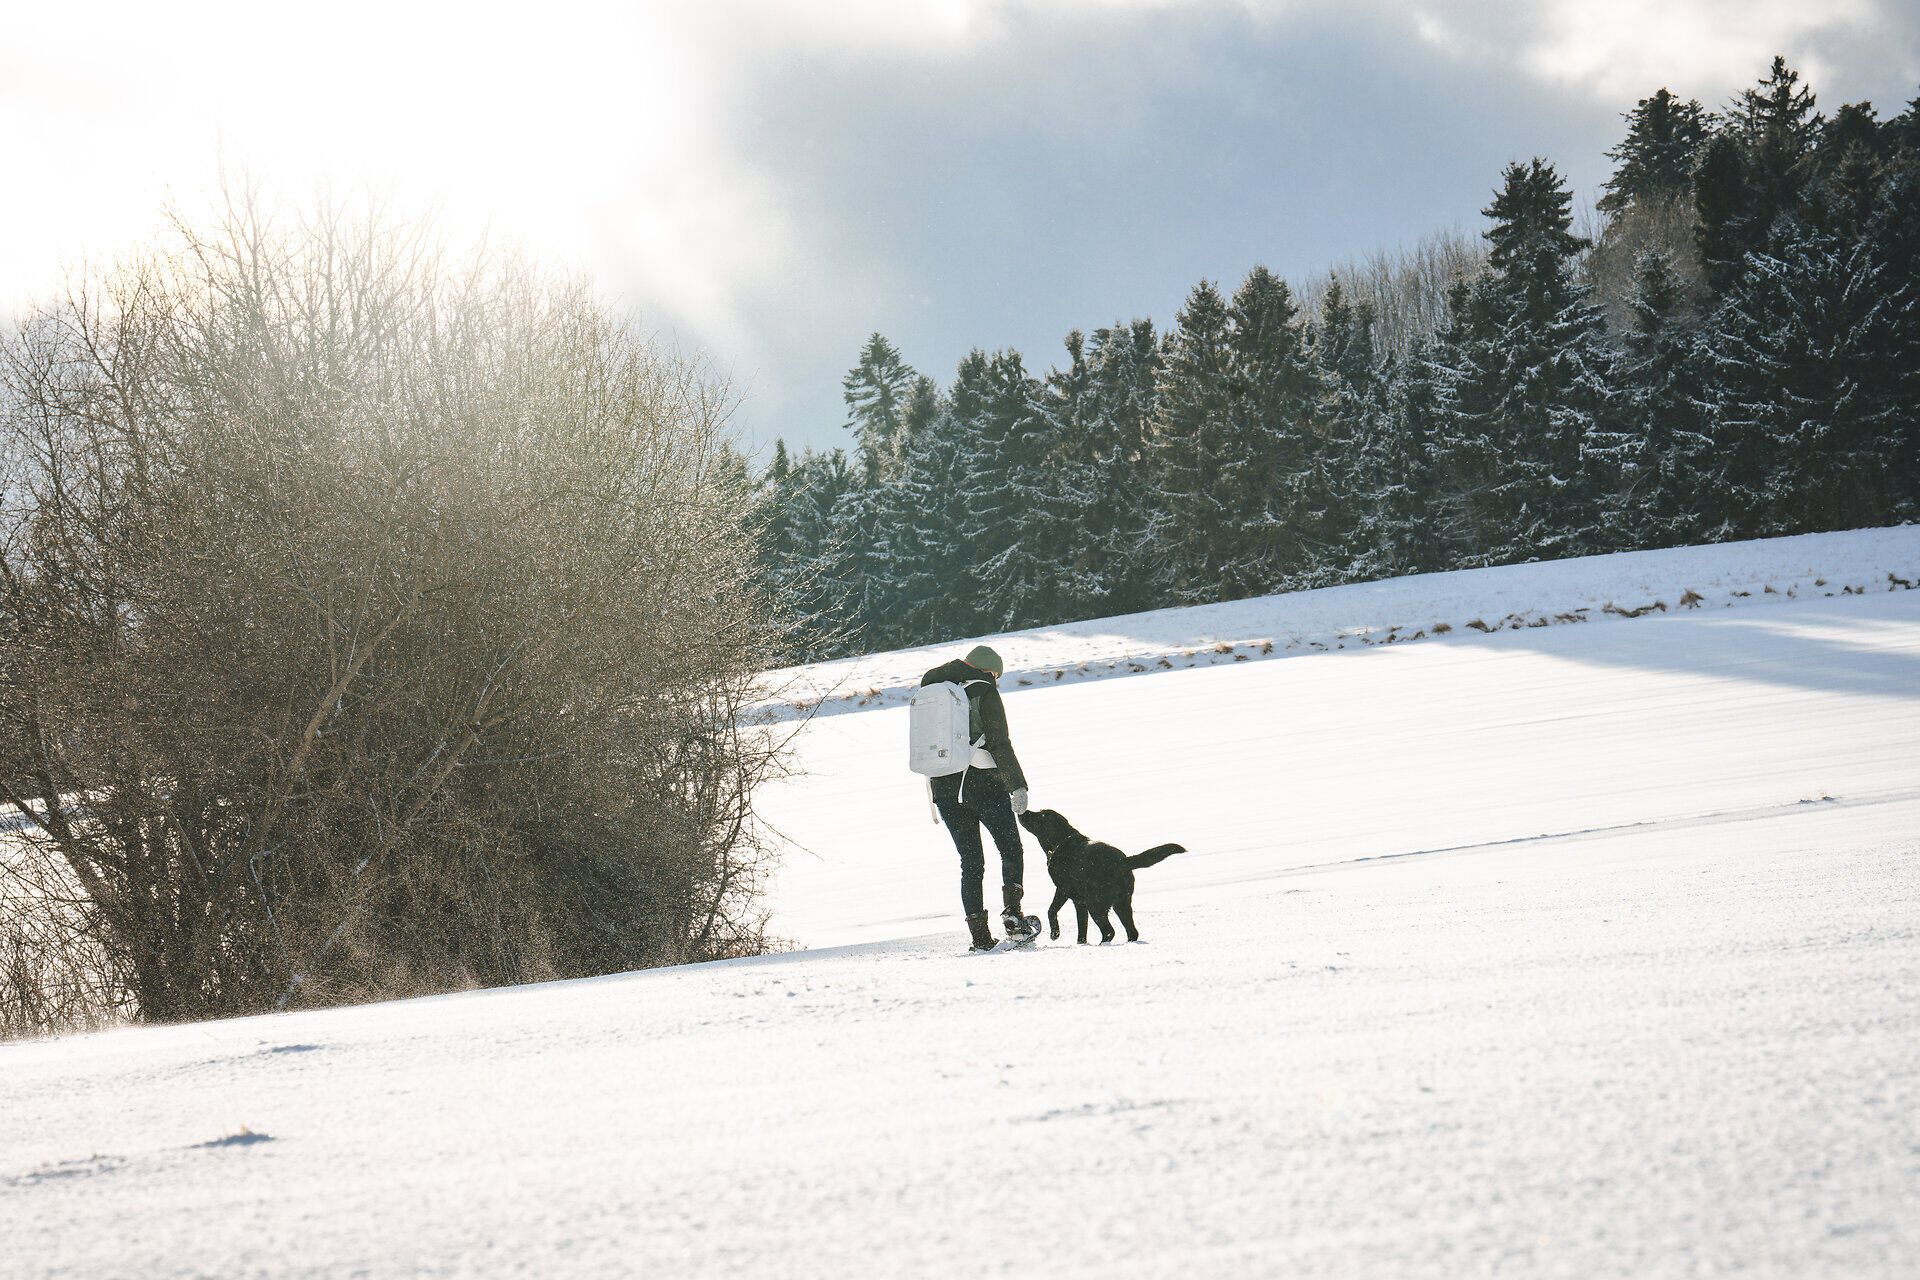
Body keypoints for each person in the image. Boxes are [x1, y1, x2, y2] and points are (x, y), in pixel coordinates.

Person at [919, 644, 1036, 952]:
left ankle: (980, 938)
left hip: (943, 788)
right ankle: (1013, 916)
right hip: (983, 783)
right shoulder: (984, 689)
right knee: (1010, 847)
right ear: (988, 671)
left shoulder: (932, 688)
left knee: (971, 862)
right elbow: (998, 741)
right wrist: (1018, 786)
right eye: (996, 675)